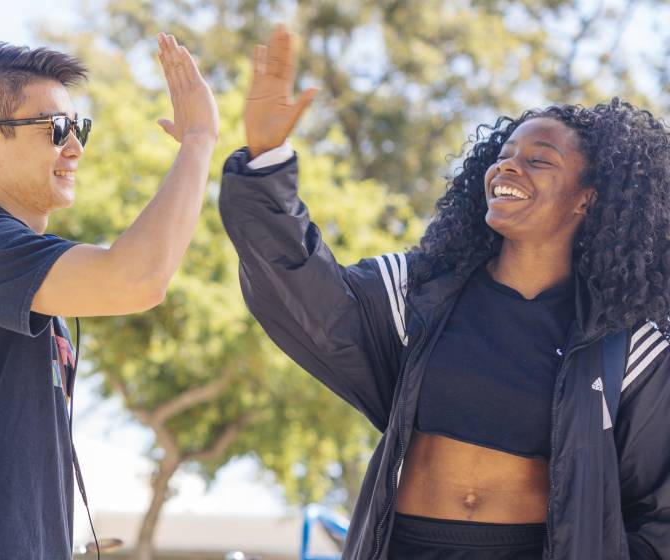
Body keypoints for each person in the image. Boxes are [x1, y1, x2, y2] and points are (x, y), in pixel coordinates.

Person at [219, 23, 670, 559]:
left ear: (586, 200)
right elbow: (301, 291)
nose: (509, 165)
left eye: (539, 159)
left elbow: (658, 514)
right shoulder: (419, 291)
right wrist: (266, 160)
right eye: (505, 154)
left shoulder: (625, 345)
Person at [0, 34, 218, 560]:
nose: (76, 148)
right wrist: (199, 140)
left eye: (78, 127)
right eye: (56, 129)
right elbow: (137, 279)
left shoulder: (15, 259)